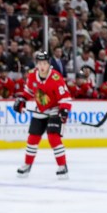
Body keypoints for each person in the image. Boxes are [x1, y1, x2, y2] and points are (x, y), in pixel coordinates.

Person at [13, 51, 72, 179]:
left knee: (53, 137)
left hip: (55, 108)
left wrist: (64, 110)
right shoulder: (32, 76)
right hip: (40, 109)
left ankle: (63, 166)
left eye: (44, 63)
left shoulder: (56, 77)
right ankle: (27, 165)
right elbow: (28, 92)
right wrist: (21, 100)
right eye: (40, 63)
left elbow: (65, 97)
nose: (42, 66)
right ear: (37, 64)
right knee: (32, 138)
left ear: (49, 64)